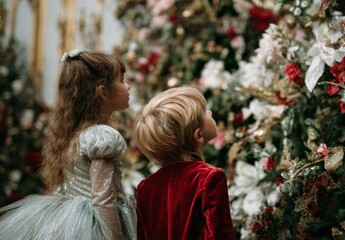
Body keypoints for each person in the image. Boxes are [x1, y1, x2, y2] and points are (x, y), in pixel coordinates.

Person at [0, 50, 136, 240]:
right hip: (95, 227)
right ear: (102, 91)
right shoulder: (101, 136)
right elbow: (103, 199)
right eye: (121, 80)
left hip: (71, 224)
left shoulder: (75, 134)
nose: (128, 87)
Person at [134, 86, 234, 240]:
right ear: (198, 135)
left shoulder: (145, 188)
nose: (210, 112)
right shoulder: (209, 178)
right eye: (205, 111)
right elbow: (220, 235)